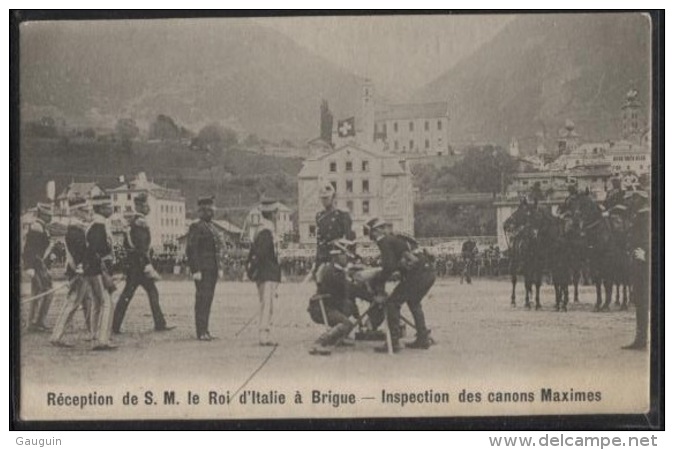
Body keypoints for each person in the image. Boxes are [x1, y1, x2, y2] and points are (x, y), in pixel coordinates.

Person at [366, 218, 436, 353]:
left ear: (377, 230)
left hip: (418, 273)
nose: (372, 238)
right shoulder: (396, 238)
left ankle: (393, 342)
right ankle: (422, 338)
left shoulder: (383, 240)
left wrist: (379, 281)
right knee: (414, 302)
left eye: (372, 233)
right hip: (428, 271)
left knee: (392, 303)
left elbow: (389, 266)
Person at [112, 193, 174, 334]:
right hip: (138, 266)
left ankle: (116, 325)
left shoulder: (133, 222)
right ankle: (116, 325)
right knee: (132, 294)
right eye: (146, 205)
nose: (148, 207)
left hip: (134, 265)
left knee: (136, 293)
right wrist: (147, 264)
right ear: (139, 206)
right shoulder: (140, 223)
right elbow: (141, 247)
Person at [50, 197, 93, 347]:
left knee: (88, 301)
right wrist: (81, 268)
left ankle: (93, 332)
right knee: (72, 304)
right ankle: (57, 336)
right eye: (83, 210)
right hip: (78, 272)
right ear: (75, 211)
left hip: (81, 271)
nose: (87, 213)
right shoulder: (76, 231)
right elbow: (79, 253)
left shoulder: (77, 229)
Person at [246, 198, 282, 346]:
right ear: (273, 214)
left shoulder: (261, 230)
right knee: (267, 305)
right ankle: (264, 334)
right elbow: (261, 255)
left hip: (265, 273)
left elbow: (254, 254)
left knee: (266, 304)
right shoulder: (267, 232)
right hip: (267, 273)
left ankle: (265, 333)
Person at [186, 196, 221, 341]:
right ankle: (201, 331)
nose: (211, 213)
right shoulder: (196, 226)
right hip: (203, 270)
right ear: (202, 211)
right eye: (208, 210)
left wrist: (218, 267)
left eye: (211, 210)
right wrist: (195, 270)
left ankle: (205, 330)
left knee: (208, 299)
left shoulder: (211, 227)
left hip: (211, 269)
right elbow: (191, 249)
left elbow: (215, 250)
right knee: (202, 299)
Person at [85, 194, 117, 351]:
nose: (111, 209)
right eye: (108, 207)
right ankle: (102, 339)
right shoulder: (98, 226)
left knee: (98, 303)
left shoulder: (98, 224)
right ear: (100, 208)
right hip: (99, 269)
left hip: (95, 269)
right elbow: (98, 251)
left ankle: (95, 334)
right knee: (106, 303)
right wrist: (105, 271)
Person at [622, 190, 650, 350]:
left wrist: (646, 253)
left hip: (644, 262)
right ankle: (640, 338)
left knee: (644, 300)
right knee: (640, 301)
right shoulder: (637, 215)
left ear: (640, 198)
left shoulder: (645, 215)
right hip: (638, 261)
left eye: (634, 197)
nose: (631, 200)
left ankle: (642, 339)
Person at [23, 202, 55, 332]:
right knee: (46, 292)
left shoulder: (41, 226)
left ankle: (34, 322)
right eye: (48, 215)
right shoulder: (37, 227)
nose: (51, 217)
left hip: (39, 264)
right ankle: (37, 321)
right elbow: (30, 249)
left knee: (39, 292)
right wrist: (29, 266)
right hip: (37, 265)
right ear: (43, 214)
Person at [314, 183, 354, 274]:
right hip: (323, 255)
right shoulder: (319, 216)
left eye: (326, 198)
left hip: (338, 254)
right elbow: (319, 239)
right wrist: (317, 260)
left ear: (333, 198)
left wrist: (348, 258)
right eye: (322, 199)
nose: (324, 201)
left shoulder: (342, 214)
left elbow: (350, 237)